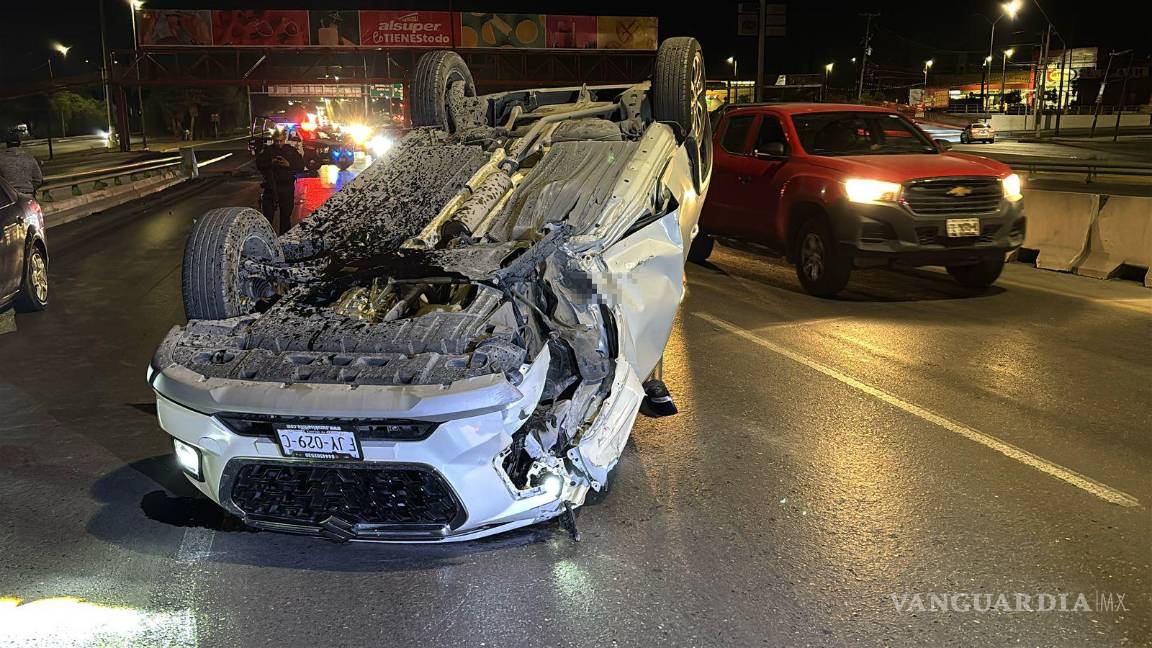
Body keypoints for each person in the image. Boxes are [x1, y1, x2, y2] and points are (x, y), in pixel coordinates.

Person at [255, 129, 303, 235]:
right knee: (267, 217)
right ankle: (267, 239)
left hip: (286, 187)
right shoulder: (268, 151)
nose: (278, 143)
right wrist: (270, 162)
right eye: (276, 141)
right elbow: (259, 164)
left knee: (285, 217)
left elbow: (300, 166)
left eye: (281, 141)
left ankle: (284, 239)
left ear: (284, 139)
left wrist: (288, 164)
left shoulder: (291, 151)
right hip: (271, 187)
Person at [0, 134, 44, 198]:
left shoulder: (1, 159)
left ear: (7, 144)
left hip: (8, 196)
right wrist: (31, 188)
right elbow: (38, 179)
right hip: (28, 193)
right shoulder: (29, 157)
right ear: (19, 143)